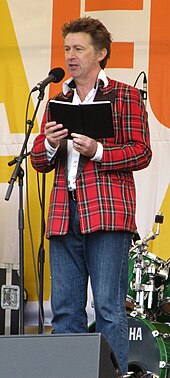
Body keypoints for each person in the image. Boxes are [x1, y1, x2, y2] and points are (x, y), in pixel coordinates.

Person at [30, 16, 152, 374]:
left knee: (109, 310)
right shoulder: (57, 99)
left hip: (107, 215)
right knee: (65, 309)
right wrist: (50, 145)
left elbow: (141, 152)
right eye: (67, 48)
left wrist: (98, 151)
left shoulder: (125, 96)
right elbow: (38, 161)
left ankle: (111, 375)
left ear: (100, 53)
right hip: (63, 215)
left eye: (78, 48)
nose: (70, 56)